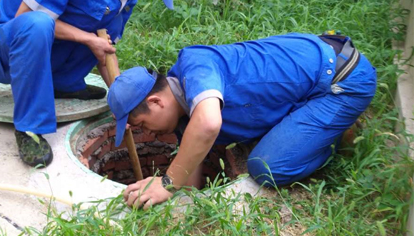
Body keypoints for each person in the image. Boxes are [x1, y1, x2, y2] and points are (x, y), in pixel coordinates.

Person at [107, 33, 377, 209]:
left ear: (155, 102)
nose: (148, 134)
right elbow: (193, 166)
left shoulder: (195, 66)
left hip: (341, 78)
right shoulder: (183, 113)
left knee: (266, 167)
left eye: (141, 124)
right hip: (309, 77)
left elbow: (209, 124)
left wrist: (166, 182)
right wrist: (184, 203)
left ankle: (334, 136)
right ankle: (310, 122)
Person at [0, 0, 179, 167]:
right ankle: (29, 128)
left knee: (96, 33)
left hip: (47, 55)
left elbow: (105, 49)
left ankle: (63, 84)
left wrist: (124, 100)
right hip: (3, 53)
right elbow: (26, 19)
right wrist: (88, 39)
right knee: (40, 24)